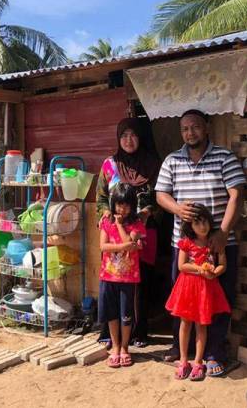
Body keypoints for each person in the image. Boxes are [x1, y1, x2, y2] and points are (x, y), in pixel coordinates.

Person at [155, 109, 246, 377]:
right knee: (183, 301)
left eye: (195, 127)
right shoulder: (172, 160)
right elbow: (161, 194)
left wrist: (223, 232)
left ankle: (215, 352)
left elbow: (236, 196)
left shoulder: (224, 157)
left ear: (206, 127)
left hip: (217, 245)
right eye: (184, 128)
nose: (190, 133)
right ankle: (181, 350)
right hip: (183, 247)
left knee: (217, 301)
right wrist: (176, 209)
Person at [96, 117, 160, 348]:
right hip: (114, 235)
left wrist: (146, 212)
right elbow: (102, 198)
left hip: (143, 232)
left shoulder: (153, 164)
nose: (128, 140)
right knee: (113, 282)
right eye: (124, 135)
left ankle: (139, 333)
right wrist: (106, 213)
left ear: (141, 137)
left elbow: (160, 196)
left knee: (139, 284)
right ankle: (109, 335)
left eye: (133, 135)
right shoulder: (109, 165)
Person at [165, 205, 230, 381]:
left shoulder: (214, 242)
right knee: (185, 324)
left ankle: (198, 361)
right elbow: (181, 266)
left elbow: (222, 264)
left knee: (202, 325)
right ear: (190, 226)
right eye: (197, 223)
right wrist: (200, 269)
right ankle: (184, 360)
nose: (203, 226)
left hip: (207, 289)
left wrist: (214, 273)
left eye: (205, 222)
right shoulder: (187, 242)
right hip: (187, 288)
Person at [98, 183, 146, 368]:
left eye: (126, 205)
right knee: (112, 314)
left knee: (126, 314)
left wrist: (118, 225)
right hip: (108, 276)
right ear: (113, 203)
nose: (121, 209)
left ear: (133, 205)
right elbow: (103, 246)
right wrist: (123, 247)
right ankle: (116, 347)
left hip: (129, 278)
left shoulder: (137, 224)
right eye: (118, 204)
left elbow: (129, 241)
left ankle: (126, 347)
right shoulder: (105, 221)